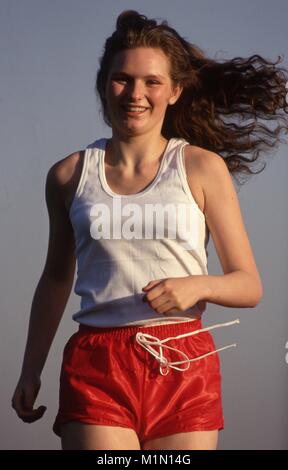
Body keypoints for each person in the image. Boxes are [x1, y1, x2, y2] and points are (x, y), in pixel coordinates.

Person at [11, 10, 288, 451]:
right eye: (122, 79)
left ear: (175, 90)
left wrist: (194, 286)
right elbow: (57, 278)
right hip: (98, 367)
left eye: (152, 82)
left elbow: (248, 285)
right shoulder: (67, 176)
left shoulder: (201, 168)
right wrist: (30, 370)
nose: (135, 94)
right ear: (104, 85)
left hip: (184, 363)